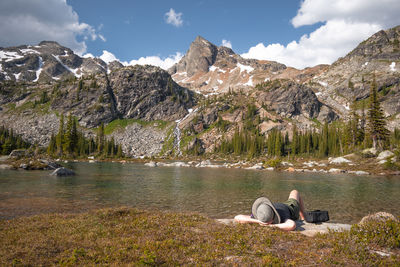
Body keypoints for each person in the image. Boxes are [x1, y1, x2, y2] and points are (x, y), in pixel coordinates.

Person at [234, 190, 305, 231]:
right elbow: (292, 225)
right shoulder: (282, 218)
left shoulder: (261, 215)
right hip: (290, 208)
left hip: (279, 206)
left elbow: (237, 217)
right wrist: (269, 226)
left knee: (295, 193)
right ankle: (303, 218)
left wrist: (258, 221)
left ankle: (303, 218)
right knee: (295, 192)